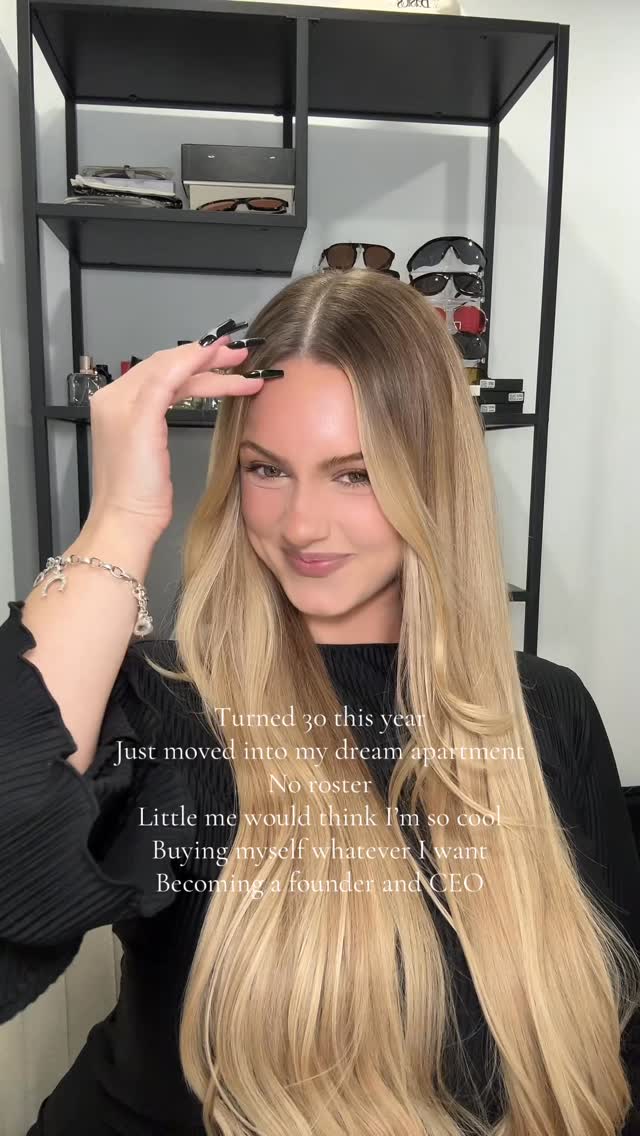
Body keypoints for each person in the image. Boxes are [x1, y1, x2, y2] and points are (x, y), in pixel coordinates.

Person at [1, 268, 639, 1136]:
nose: (301, 526)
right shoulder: (162, 704)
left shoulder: (546, 710)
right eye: (266, 469)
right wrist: (119, 515)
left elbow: (617, 1029)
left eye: (355, 474)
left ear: (434, 481)